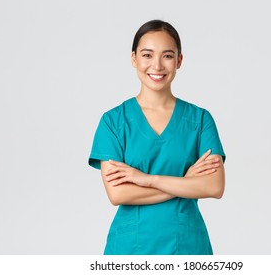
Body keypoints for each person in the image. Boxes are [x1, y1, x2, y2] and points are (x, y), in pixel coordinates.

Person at [88, 19, 226, 255]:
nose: (157, 65)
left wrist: (145, 179)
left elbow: (214, 186)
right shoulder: (113, 122)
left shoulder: (200, 120)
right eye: (147, 55)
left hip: (187, 247)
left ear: (179, 61)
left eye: (168, 56)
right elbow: (118, 193)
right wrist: (185, 181)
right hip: (130, 249)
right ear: (134, 59)